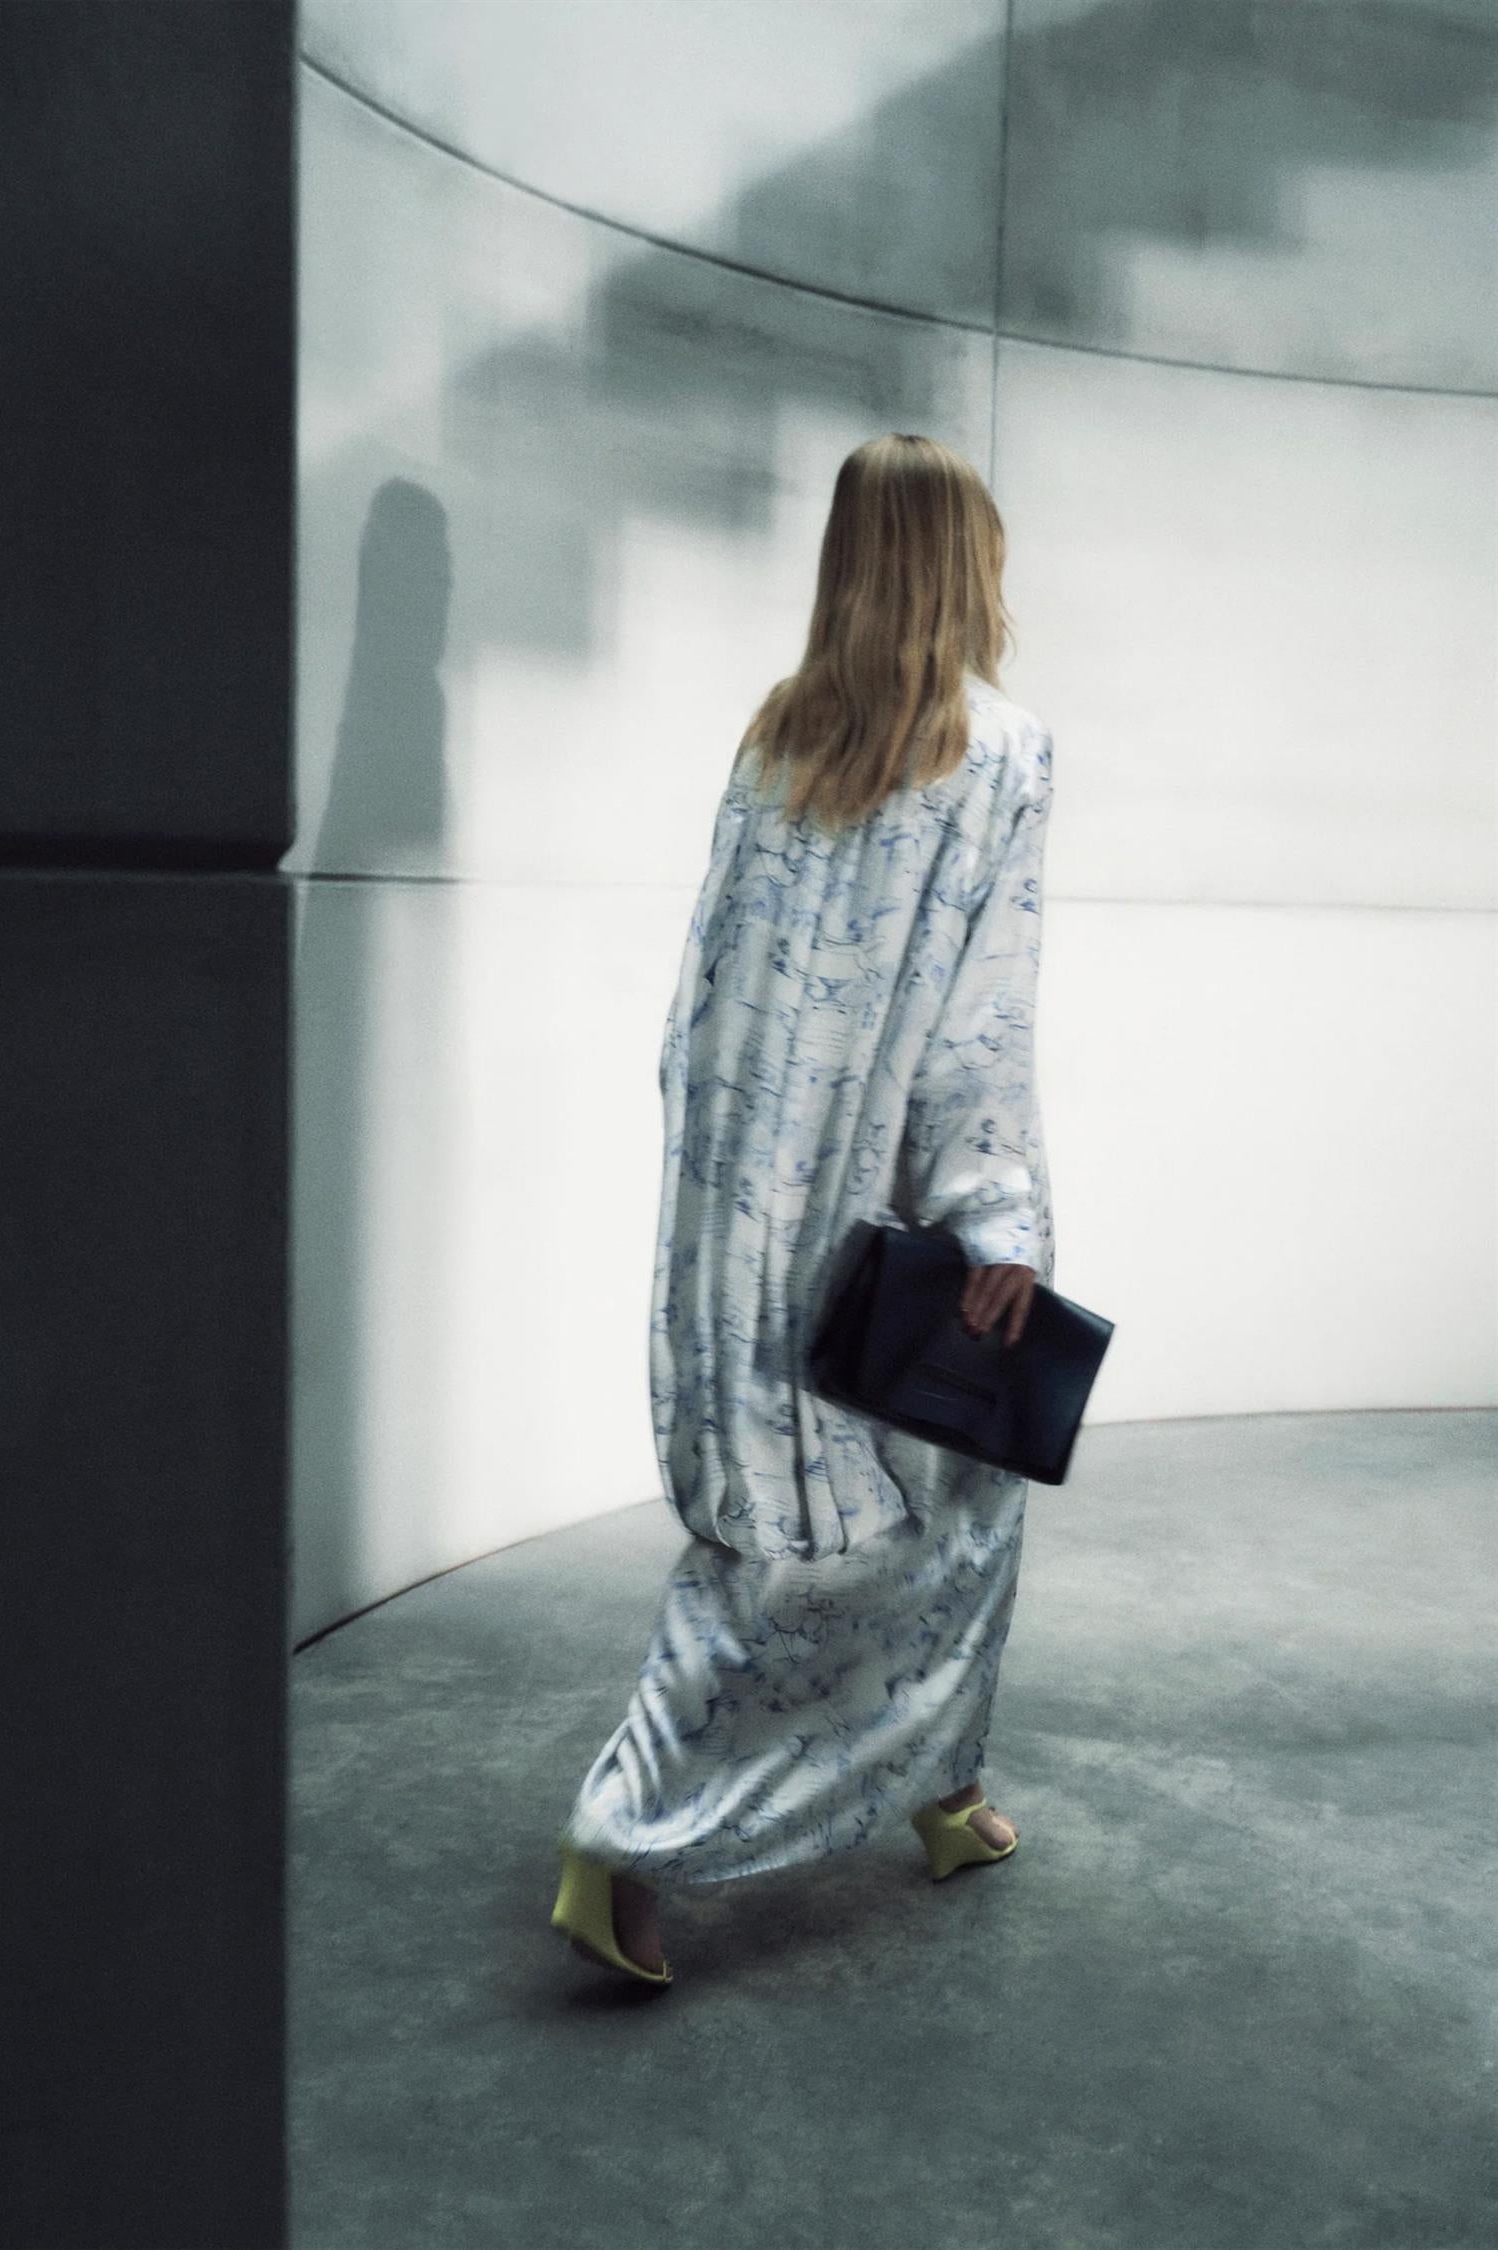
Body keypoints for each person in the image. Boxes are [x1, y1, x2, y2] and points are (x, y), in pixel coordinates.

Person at [550, 432, 1055, 1987]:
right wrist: (999, 1218)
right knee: (949, 1509)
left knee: (774, 1524)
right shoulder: (1003, 751)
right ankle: (623, 1835)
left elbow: (702, 991)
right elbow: (980, 1025)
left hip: (745, 1217)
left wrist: (724, 1202)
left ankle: (945, 1793)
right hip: (894, 1214)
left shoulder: (777, 733)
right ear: (965, 561)